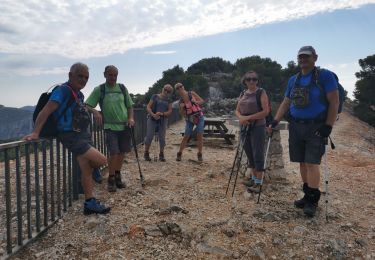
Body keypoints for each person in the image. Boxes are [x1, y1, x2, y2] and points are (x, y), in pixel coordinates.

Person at [24, 62, 110, 215]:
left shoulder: (80, 94)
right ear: (70, 75)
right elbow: (45, 111)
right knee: (102, 160)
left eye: (86, 77)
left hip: (82, 135)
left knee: (86, 171)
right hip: (71, 136)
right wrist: (36, 132)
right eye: (80, 76)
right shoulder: (63, 91)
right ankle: (95, 169)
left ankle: (89, 203)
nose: (83, 80)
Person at [269, 46, 339, 217]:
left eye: (306, 56)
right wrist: (276, 120)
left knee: (312, 163)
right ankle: (307, 195)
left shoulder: (325, 76)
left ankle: (313, 201)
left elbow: (334, 102)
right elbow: (286, 101)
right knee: (301, 162)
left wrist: (328, 126)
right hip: (296, 126)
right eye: (300, 56)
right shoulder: (293, 79)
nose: (303, 59)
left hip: (316, 126)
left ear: (315, 58)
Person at [85, 65, 135, 192]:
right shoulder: (100, 89)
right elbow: (87, 105)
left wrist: (131, 118)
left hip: (124, 125)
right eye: (110, 75)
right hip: (110, 126)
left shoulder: (122, 88)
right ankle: (111, 178)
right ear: (105, 75)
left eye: (115, 75)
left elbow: (129, 106)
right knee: (114, 152)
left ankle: (117, 175)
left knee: (122, 152)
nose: (113, 77)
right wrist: (95, 112)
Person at [236, 71, 270, 193]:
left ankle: (259, 184)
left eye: (254, 79)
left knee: (258, 154)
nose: (251, 81)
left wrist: (247, 118)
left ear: (257, 81)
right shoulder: (242, 93)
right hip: (244, 127)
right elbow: (237, 110)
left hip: (258, 127)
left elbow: (265, 112)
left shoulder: (261, 92)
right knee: (250, 153)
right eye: (249, 79)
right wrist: (241, 118)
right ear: (245, 81)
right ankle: (254, 179)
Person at [174, 83, 205, 162]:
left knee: (199, 135)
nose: (180, 88)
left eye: (181, 86)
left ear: (183, 86)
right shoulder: (180, 101)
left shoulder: (192, 93)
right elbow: (181, 113)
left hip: (199, 116)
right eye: (177, 88)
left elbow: (202, 101)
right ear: (177, 90)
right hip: (189, 119)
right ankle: (179, 153)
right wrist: (181, 108)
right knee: (186, 136)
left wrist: (196, 101)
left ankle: (199, 154)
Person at [144, 84, 173, 162]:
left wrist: (162, 114)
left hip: (163, 120)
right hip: (152, 118)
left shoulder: (169, 100)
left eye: (168, 91)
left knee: (162, 137)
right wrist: (153, 115)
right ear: (162, 89)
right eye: (165, 89)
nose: (166, 92)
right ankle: (146, 153)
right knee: (149, 136)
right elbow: (148, 107)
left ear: (170, 92)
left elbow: (170, 111)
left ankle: (161, 154)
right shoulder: (155, 96)